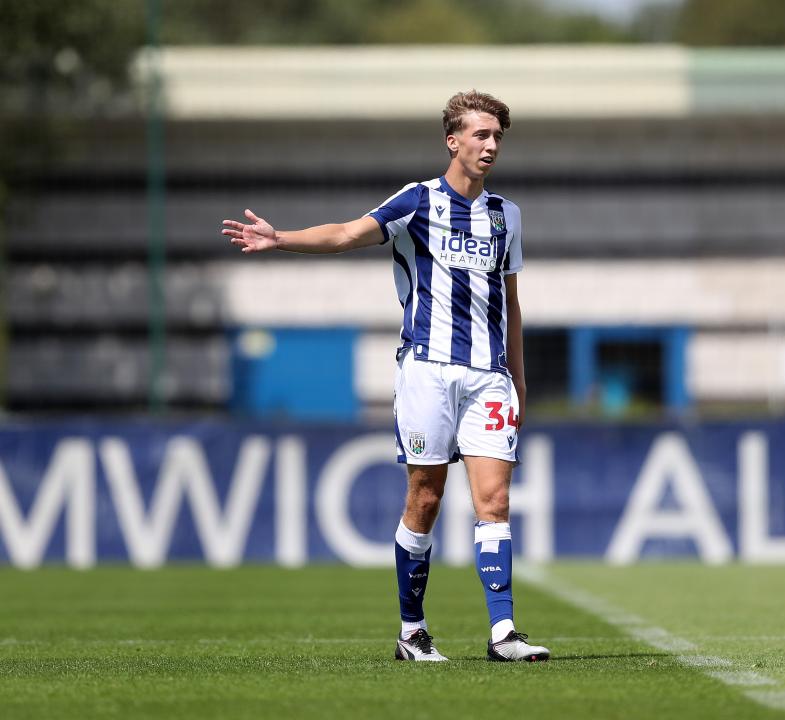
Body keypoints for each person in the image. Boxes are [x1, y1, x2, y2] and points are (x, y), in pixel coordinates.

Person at [222, 90, 549, 663]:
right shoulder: (418, 201)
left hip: (489, 377)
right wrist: (281, 239)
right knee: (425, 498)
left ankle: (503, 633)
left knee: (494, 500)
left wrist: (518, 381)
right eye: (480, 134)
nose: (491, 145)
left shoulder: (507, 215)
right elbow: (348, 233)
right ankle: (412, 630)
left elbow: (512, 304)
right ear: (453, 140)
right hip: (426, 370)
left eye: (498, 136)